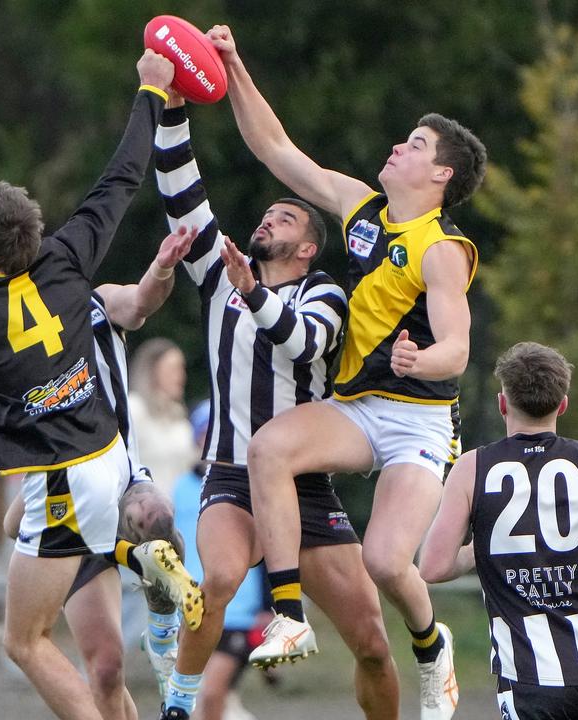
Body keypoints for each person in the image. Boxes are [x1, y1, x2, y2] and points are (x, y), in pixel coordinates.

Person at [206, 24, 485, 718]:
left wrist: (427, 358)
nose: (400, 146)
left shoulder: (442, 248)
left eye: (416, 145)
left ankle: (431, 646)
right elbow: (276, 149)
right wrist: (234, 64)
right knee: (269, 448)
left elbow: (459, 347)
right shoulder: (362, 209)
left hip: (420, 420)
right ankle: (289, 614)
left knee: (391, 564)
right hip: (359, 408)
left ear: (442, 174)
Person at [0, 51, 202, 720]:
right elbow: (121, 177)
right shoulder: (70, 257)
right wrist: (149, 89)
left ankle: (140, 559)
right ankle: (141, 558)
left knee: (23, 641)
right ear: (37, 228)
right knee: (101, 659)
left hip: (61, 477)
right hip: (106, 456)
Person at [153, 90, 399, 720]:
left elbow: (303, 343)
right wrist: (171, 104)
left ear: (308, 247)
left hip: (302, 488)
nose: (267, 221)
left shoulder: (327, 295)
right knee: (222, 581)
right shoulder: (222, 273)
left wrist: (255, 293)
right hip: (233, 477)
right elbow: (182, 191)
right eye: (265, 215)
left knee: (371, 641)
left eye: (284, 218)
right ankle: (178, 706)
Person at [0, 227, 197, 719]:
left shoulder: (95, 301)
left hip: (114, 469)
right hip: (62, 479)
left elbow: (140, 301)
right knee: (104, 669)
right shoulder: (5, 324)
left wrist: (163, 266)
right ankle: (140, 563)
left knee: (155, 516)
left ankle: (161, 625)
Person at [419, 342, 578, 720]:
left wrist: (486, 547)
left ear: (502, 403)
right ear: (563, 404)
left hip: (530, 678)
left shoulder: (473, 469)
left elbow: (433, 567)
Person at [171, 401, 265, 720]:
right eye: (205, 433)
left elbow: (267, 551)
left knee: (212, 694)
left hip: (239, 611)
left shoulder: (251, 489)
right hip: (189, 605)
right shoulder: (178, 489)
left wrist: (271, 605)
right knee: (190, 696)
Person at [129, 338, 198, 495]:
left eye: (182, 369)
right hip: (144, 508)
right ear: (152, 370)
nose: (181, 376)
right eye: (173, 369)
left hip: (181, 512)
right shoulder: (134, 409)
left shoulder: (179, 418)